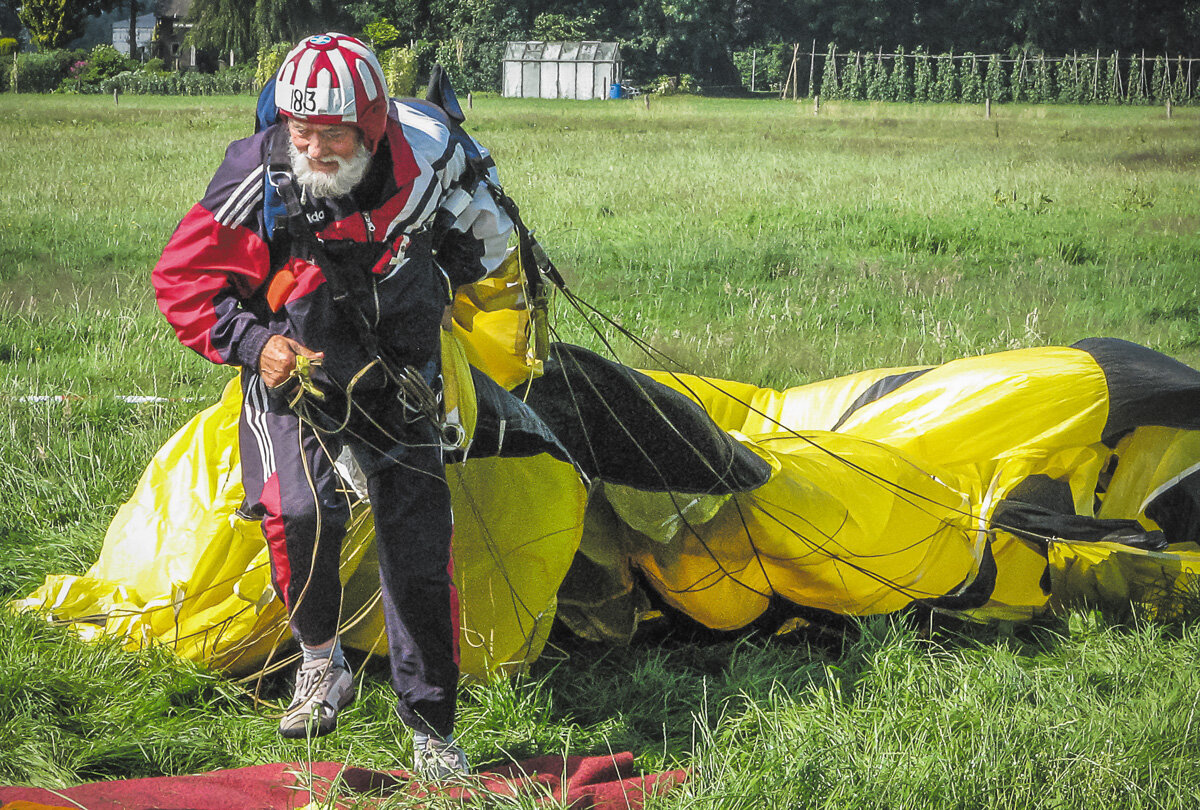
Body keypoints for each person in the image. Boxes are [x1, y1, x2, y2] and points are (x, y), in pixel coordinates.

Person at [152, 32, 513, 779]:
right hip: (296, 371)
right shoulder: (257, 174)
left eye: (334, 133)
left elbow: (487, 238)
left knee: (416, 547)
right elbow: (182, 281)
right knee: (301, 513)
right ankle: (323, 663)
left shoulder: (433, 157)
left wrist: (434, 279)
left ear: (373, 126)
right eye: (302, 130)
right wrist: (256, 345)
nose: (315, 148)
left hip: (398, 375)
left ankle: (431, 730)